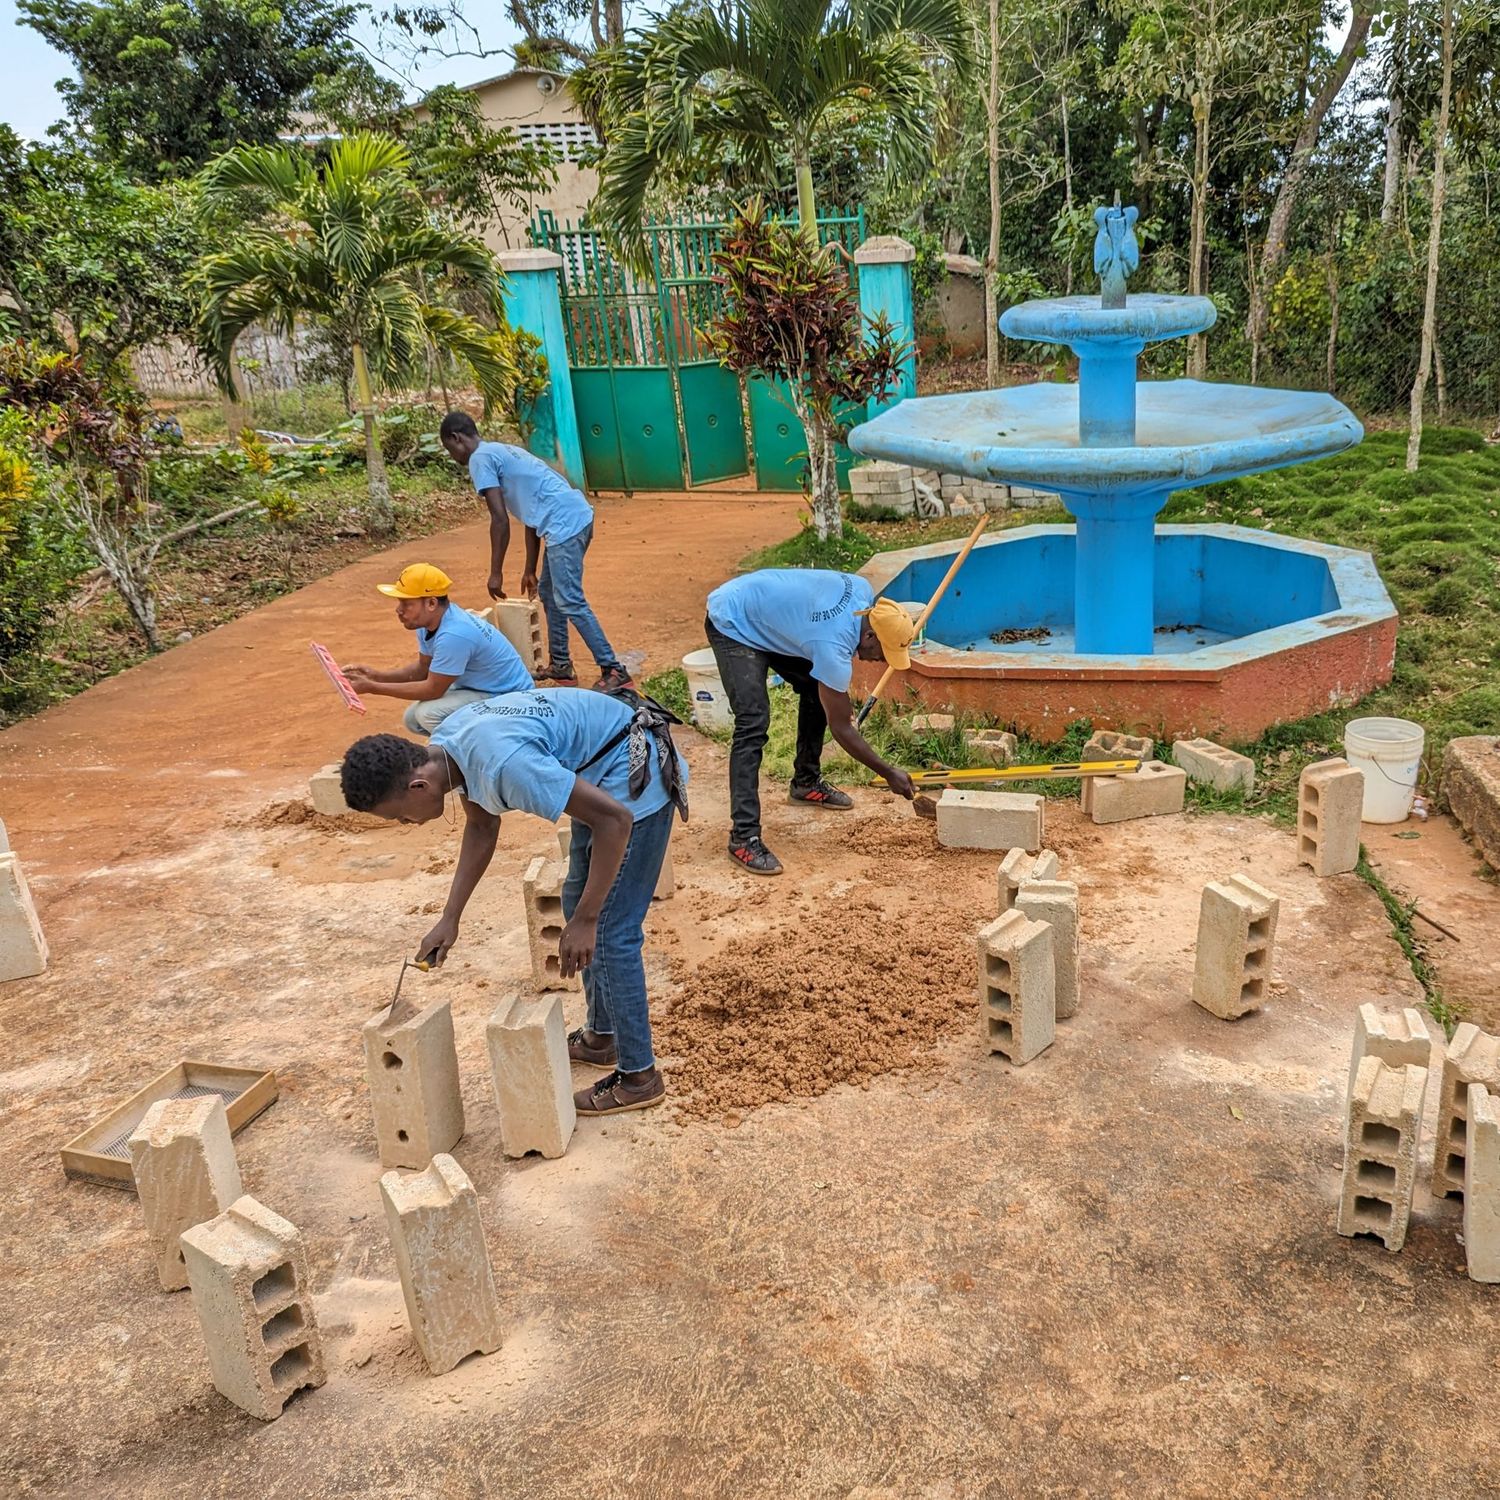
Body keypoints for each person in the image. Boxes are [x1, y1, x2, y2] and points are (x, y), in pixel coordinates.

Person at [339, 687, 688, 1116]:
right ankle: (603, 1036)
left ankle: (640, 1077)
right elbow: (482, 828)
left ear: (417, 784)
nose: (405, 823)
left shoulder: (505, 763)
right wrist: (451, 917)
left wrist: (587, 920)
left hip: (633, 781)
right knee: (577, 899)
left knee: (611, 931)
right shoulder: (449, 747)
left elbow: (615, 820)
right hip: (597, 771)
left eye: (398, 815)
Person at [704, 568, 918, 875]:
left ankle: (805, 782)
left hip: (768, 615)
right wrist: (888, 772)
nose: (881, 661)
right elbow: (842, 728)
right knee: (752, 721)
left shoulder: (862, 592)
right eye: (883, 653)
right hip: (734, 619)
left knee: (813, 686)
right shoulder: (832, 645)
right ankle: (743, 837)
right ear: (869, 635)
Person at [437, 412, 631, 693]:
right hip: (568, 519)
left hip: (565, 524)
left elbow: (500, 520)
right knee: (551, 595)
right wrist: (530, 569)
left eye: (449, 448)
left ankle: (614, 669)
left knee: (570, 600)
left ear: (456, 438)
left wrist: (495, 573)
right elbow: (531, 518)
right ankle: (562, 665)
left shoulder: (480, 459)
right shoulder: (502, 450)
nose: (453, 455)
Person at [341, 563, 533, 735]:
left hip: (511, 698)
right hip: (487, 689)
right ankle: (455, 752)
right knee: (413, 719)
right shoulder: (430, 623)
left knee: (427, 714)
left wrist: (373, 687)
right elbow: (422, 670)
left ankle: (475, 755)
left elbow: (433, 689)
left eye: (407, 603)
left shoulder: (454, 634)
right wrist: (376, 676)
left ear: (431, 603)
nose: (399, 610)